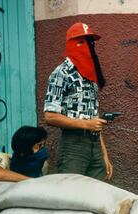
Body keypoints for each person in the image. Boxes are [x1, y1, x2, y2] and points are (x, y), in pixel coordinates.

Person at [44, 22, 113, 181]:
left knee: (96, 196)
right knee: (71, 196)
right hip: (73, 145)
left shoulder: (91, 76)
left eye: (90, 42)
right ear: (72, 44)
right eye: (82, 42)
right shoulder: (61, 73)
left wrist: (104, 154)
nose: (88, 46)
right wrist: (86, 124)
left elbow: (94, 118)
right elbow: (50, 116)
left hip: (94, 145)